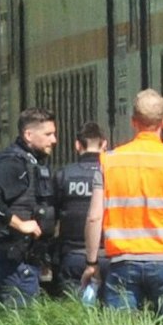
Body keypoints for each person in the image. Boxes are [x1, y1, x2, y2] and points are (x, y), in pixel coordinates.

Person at [82, 90, 163, 325]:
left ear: (133, 121)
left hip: (122, 262)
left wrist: (92, 262)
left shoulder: (109, 161)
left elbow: (95, 216)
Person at [0, 108, 58, 308]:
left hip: (28, 258)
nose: (54, 140)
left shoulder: (31, 163)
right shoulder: (14, 163)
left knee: (26, 321)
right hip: (15, 257)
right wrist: (19, 224)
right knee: (22, 322)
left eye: (54, 134)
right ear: (28, 135)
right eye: (48, 134)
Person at [56, 122, 108, 307]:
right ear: (104, 145)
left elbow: (53, 217)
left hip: (73, 256)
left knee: (73, 314)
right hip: (109, 255)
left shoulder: (64, 175)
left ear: (77, 145)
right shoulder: (112, 174)